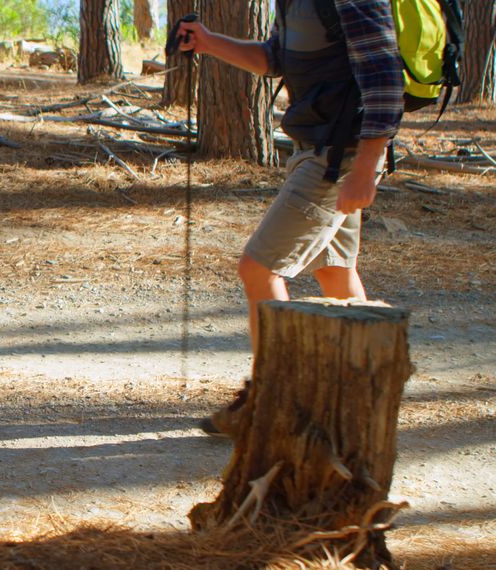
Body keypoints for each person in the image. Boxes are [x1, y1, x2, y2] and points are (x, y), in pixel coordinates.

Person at [175, 0, 404, 436]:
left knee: (259, 267)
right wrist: (207, 41)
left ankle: (272, 403)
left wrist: (364, 168)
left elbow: (386, 78)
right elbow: (274, 59)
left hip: (339, 158)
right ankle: (357, 399)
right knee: (336, 271)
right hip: (319, 150)